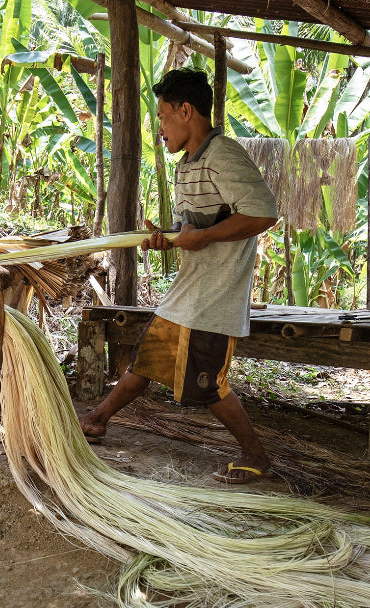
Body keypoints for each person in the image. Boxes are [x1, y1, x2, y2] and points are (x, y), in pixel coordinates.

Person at [78, 68, 279, 484]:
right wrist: (168, 238)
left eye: (163, 117)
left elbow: (262, 213)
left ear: (186, 111)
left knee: (208, 384)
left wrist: (201, 237)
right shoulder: (189, 163)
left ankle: (255, 455)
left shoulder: (222, 155)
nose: (160, 129)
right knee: (148, 358)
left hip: (214, 296)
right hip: (189, 291)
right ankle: (97, 419)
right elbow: (196, 228)